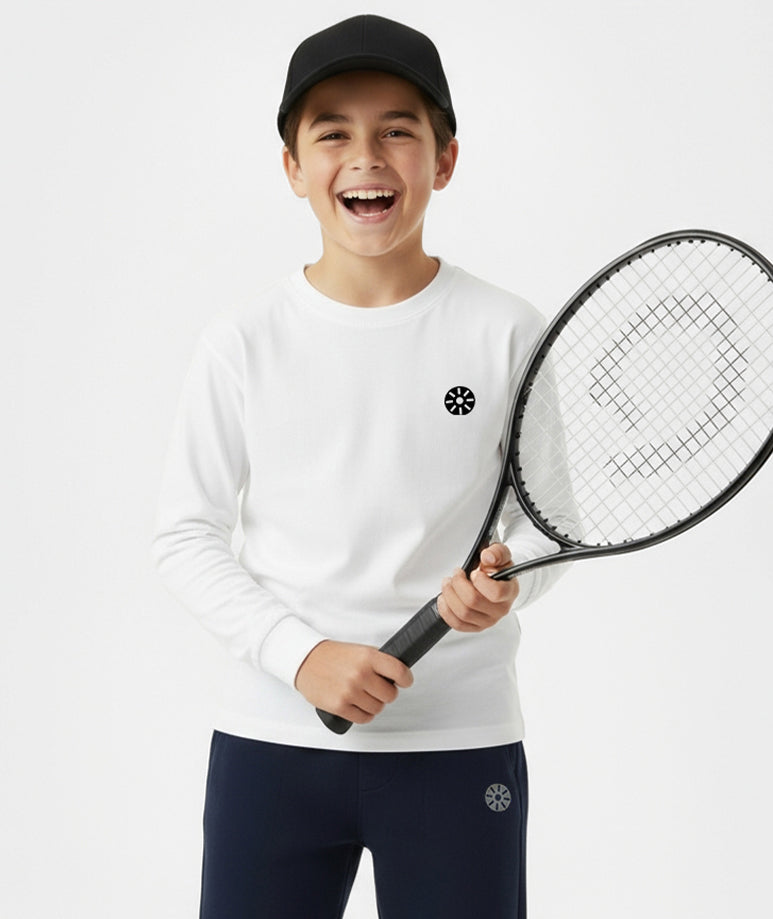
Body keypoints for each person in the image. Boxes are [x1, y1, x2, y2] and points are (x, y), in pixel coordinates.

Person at [153, 14, 565, 918]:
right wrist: (300, 657)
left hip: (458, 743)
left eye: (396, 131)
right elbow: (185, 535)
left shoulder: (505, 330)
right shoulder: (241, 341)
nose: (365, 156)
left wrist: (504, 584)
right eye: (332, 131)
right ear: (293, 166)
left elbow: (544, 526)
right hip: (272, 744)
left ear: (443, 159)